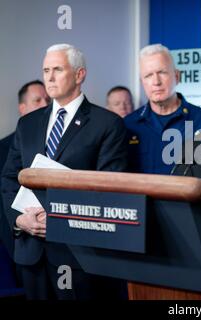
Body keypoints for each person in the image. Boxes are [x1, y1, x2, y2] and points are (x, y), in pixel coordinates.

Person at [1, 43, 128, 299]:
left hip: (79, 256)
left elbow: (108, 189)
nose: (49, 76)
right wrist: (19, 219)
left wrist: (60, 221)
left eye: (57, 69)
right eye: (46, 69)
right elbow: (8, 178)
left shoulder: (107, 124)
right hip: (31, 251)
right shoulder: (27, 124)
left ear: (80, 75)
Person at [125, 44, 201, 175]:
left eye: (162, 72)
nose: (156, 81)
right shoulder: (127, 125)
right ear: (142, 82)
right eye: (148, 75)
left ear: (177, 76)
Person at [0, 80, 50, 260]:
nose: (45, 105)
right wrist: (19, 225)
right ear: (22, 108)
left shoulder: (56, 143)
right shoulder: (2, 149)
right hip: (19, 245)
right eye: (37, 100)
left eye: (47, 100)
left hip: (57, 245)